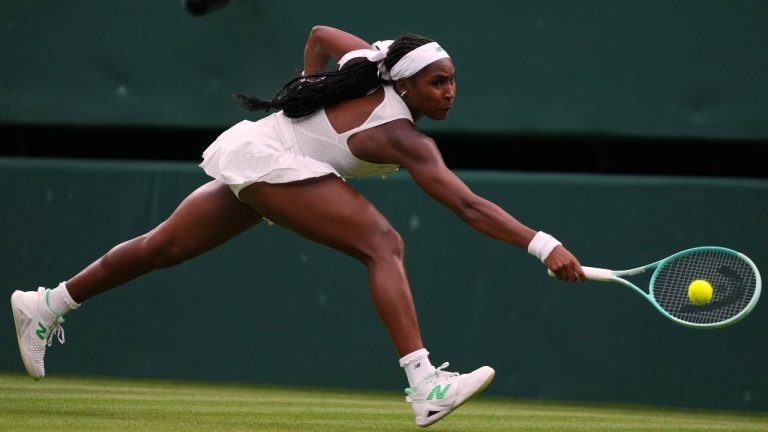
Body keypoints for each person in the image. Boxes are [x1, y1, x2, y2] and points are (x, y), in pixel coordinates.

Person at [11, 25, 586, 427]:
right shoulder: (401, 136)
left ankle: (47, 304)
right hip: (276, 159)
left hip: (264, 149)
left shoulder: (367, 65)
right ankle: (424, 384)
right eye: (438, 83)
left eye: (454, 80)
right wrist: (544, 245)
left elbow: (318, 35)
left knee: (163, 247)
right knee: (383, 244)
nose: (450, 91)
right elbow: (467, 206)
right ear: (406, 86)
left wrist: (307, 88)